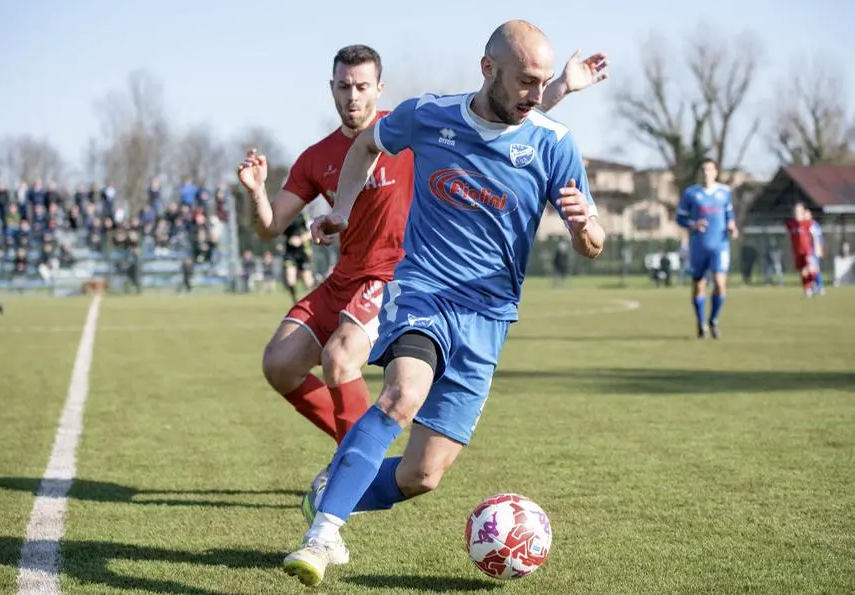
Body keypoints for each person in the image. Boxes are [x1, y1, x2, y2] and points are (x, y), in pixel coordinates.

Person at [282, 20, 607, 587]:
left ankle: (329, 492)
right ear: (488, 70)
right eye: (526, 81)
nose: (536, 93)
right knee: (402, 392)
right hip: (425, 291)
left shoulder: (553, 143)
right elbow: (365, 146)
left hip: (490, 320)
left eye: (545, 83)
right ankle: (322, 535)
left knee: (421, 475)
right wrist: (344, 209)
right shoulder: (429, 115)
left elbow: (595, 239)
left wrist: (586, 230)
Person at [236, 45, 608, 461]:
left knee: (339, 360)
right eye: (344, 87)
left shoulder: (412, 132)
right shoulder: (315, 157)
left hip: (397, 276)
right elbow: (269, 227)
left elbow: (496, 122)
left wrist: (560, 88)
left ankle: (354, 466)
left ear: (379, 88)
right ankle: (357, 451)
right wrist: (255, 193)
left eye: (361, 86)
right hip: (344, 277)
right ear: (332, 89)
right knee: (279, 362)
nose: (352, 96)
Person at [675, 158, 738, 339]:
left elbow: (729, 215)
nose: (706, 173)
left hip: (720, 245)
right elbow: (680, 219)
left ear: (716, 172)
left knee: (719, 284)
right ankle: (701, 322)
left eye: (709, 169)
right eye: (703, 169)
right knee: (698, 286)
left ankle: (714, 319)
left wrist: (732, 226)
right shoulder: (691, 194)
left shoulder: (724, 192)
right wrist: (693, 224)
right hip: (699, 246)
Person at [281, 213, 315, 303]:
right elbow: (281, 233)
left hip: (303, 253)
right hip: (290, 253)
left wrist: (300, 239)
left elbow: (313, 232)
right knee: (290, 279)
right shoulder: (285, 217)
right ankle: (295, 301)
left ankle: (314, 301)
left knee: (308, 281)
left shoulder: (303, 217)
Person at [785, 202, 816, 297]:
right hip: (797, 251)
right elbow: (788, 236)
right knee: (802, 272)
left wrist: (817, 248)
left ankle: (813, 283)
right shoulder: (790, 224)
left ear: (803, 211)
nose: (797, 212)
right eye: (795, 210)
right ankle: (807, 290)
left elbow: (814, 235)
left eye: (799, 210)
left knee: (810, 268)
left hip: (807, 250)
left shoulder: (808, 223)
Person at [806, 208, 825, 295]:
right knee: (811, 269)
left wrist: (818, 249)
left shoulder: (812, 225)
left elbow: (817, 238)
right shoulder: (806, 225)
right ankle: (814, 286)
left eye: (806, 214)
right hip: (809, 250)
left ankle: (820, 287)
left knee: (815, 269)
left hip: (813, 250)